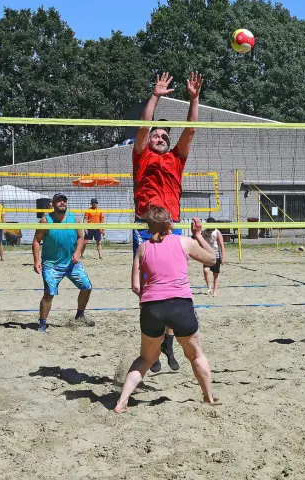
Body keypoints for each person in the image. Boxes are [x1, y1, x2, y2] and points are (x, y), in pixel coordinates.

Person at [132, 70, 203, 372]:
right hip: (145, 230)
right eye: (156, 135)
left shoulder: (177, 157)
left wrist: (194, 99)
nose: (160, 138)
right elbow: (145, 124)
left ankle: (169, 345)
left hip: (172, 228)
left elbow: (190, 130)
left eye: (164, 136)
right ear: (149, 140)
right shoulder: (141, 156)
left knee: (175, 289)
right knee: (146, 292)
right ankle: (154, 347)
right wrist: (156, 96)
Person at [114, 207, 218, 413]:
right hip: (180, 305)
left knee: (145, 359)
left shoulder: (143, 248)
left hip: (152, 307)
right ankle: (209, 398)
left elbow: (135, 286)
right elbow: (212, 259)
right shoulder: (184, 242)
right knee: (196, 355)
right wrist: (198, 234)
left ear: (149, 226)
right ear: (170, 223)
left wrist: (150, 299)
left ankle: (121, 402)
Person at [31, 193, 94, 333]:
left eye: (64, 201)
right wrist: (36, 261)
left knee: (87, 287)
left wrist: (77, 253)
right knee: (49, 294)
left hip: (72, 263)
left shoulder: (74, 218)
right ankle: (42, 323)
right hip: (51, 265)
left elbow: (80, 238)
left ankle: (80, 315)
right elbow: (36, 241)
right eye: (58, 201)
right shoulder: (45, 220)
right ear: (52, 204)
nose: (62, 203)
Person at [203, 218, 225, 295]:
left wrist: (223, 257)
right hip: (207, 255)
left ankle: (215, 291)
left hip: (216, 255)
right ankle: (209, 287)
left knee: (215, 274)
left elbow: (222, 245)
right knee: (206, 270)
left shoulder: (217, 232)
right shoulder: (204, 232)